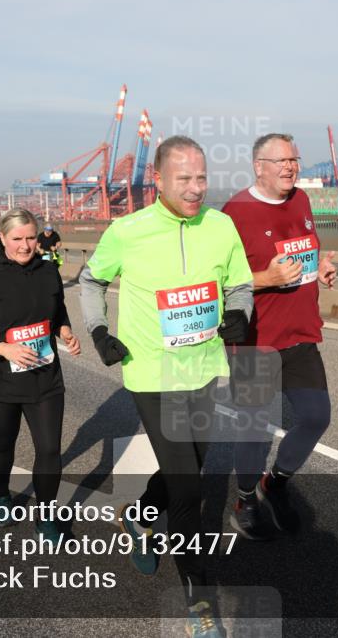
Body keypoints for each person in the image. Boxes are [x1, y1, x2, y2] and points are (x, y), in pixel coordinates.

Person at [80, 136, 252, 638]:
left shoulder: (221, 227)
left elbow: (239, 284)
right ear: (158, 180)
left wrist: (240, 314)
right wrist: (97, 331)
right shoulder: (127, 231)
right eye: (185, 179)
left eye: (202, 178)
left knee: (191, 465)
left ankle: (137, 515)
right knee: (187, 488)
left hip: (201, 369)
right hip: (151, 372)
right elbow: (90, 280)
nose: (197, 188)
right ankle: (198, 604)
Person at [220, 133, 337, 538]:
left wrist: (318, 266)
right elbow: (216, 282)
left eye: (294, 159)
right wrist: (266, 278)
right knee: (253, 429)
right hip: (255, 342)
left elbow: (304, 250)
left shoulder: (301, 200)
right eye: (281, 161)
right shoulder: (234, 213)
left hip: (301, 334)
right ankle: (246, 496)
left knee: (316, 417)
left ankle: (277, 483)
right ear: (259, 166)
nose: (291, 167)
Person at [0, 209, 81, 539]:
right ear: (2, 238)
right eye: (17, 239)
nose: (25, 246)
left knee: (50, 449)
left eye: (30, 238)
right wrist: (2, 348)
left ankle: (46, 517)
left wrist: (64, 329)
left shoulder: (49, 271)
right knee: (3, 445)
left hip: (44, 376)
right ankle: (2, 494)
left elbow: (58, 309)